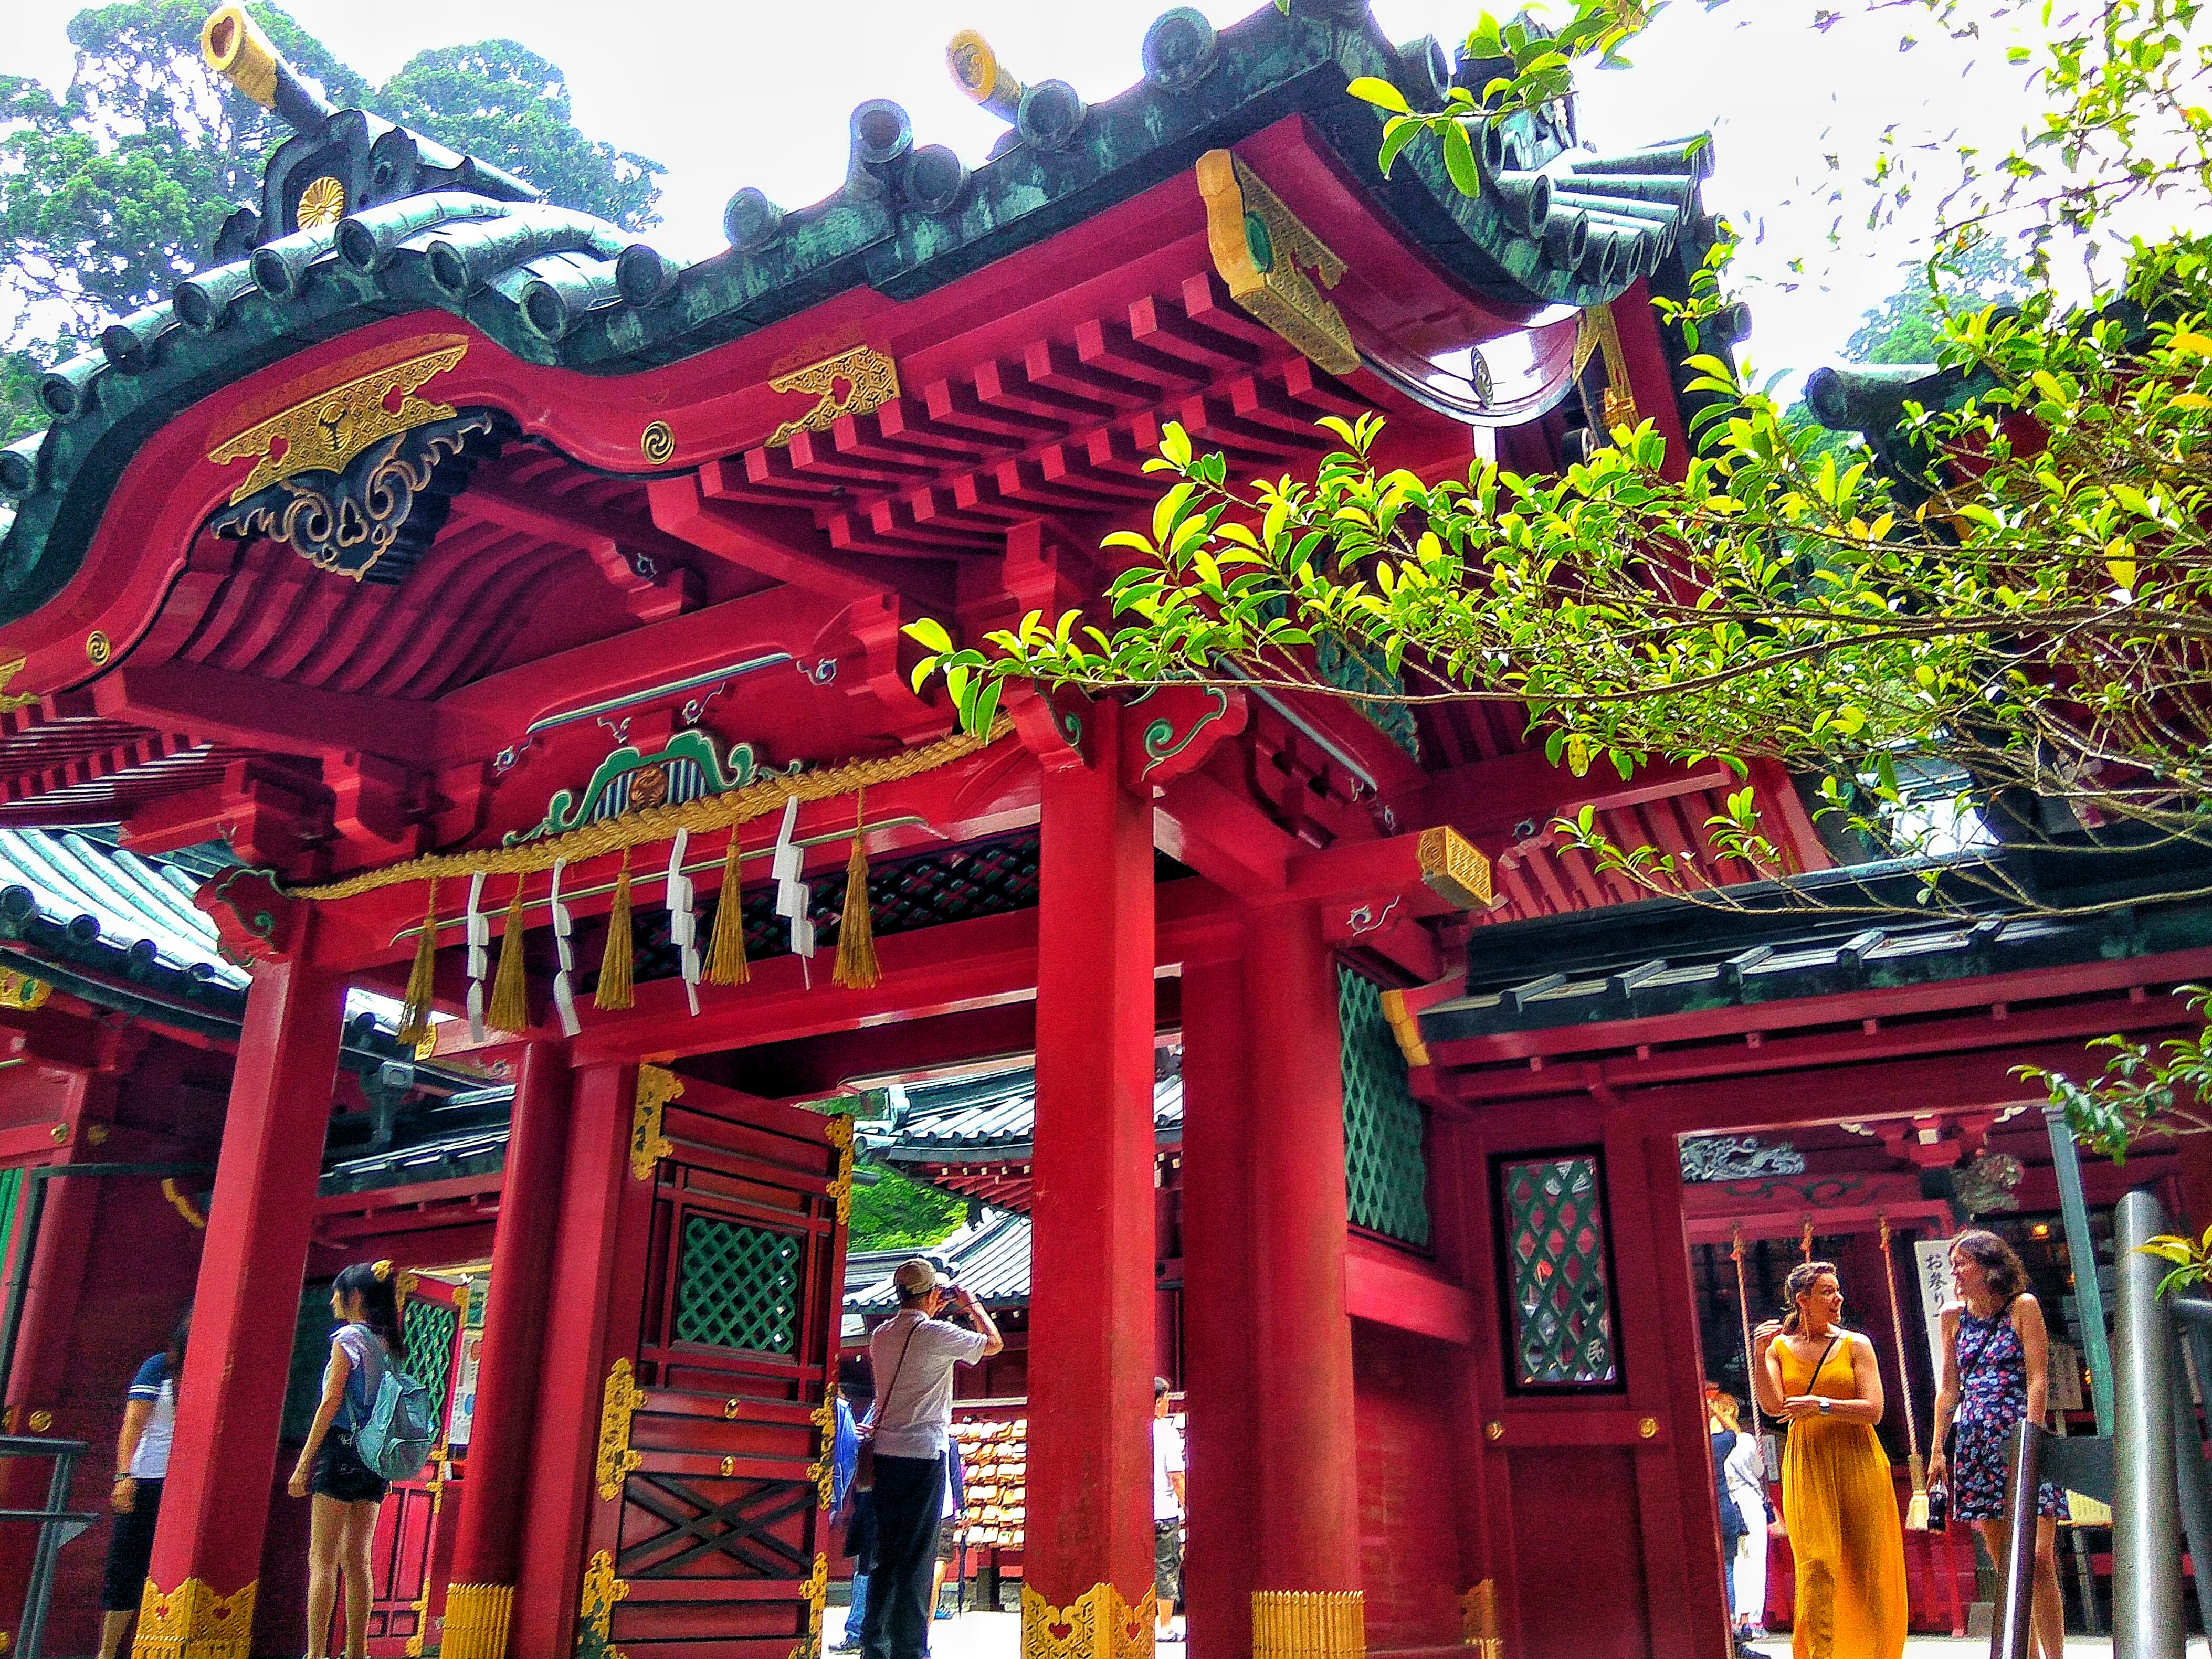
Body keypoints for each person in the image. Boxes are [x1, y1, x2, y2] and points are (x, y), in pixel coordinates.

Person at [1751, 1260, 1906, 1659]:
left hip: (1859, 1456)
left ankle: (1876, 1653)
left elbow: (1874, 1409)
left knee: (1868, 1564)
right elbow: (1771, 1405)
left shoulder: (1856, 1344)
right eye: (1827, 1292)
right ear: (1802, 1300)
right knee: (1816, 1562)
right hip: (1808, 1459)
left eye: (1837, 1290)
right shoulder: (1780, 1349)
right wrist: (1758, 1355)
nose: (1838, 1298)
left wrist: (1821, 1405)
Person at [1928, 1229, 2068, 1659]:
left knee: (2039, 1558)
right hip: (1974, 1439)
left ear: (1990, 1266)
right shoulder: (1953, 1316)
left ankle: (2057, 1655)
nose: (1954, 1272)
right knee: (2006, 1561)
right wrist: (1937, 1448)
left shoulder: (2022, 1307)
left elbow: (2038, 1376)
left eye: (1961, 1264)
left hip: (2020, 1434)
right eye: (1952, 1265)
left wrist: (2032, 1431)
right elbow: (1949, 1388)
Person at [861, 1260, 1002, 1659]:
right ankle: (910, 1647)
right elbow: (993, 1344)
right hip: (924, 1454)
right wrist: (972, 1305)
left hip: (886, 1454)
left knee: (886, 1552)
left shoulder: (881, 1336)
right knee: (919, 1554)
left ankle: (876, 1644)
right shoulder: (936, 1334)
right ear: (933, 1294)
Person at [289, 1260, 405, 1659]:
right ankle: (358, 1651)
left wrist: (304, 1461)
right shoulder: (391, 1344)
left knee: (321, 1557)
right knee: (358, 1558)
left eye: (339, 1292)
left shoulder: (348, 1339)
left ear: (354, 1297)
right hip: (375, 1457)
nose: (334, 1299)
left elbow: (331, 1400)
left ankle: (316, 1653)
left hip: (340, 1449)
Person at [96, 1306, 189, 1659]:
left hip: (186, 1486)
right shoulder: (158, 1367)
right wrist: (124, 1474)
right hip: (147, 1478)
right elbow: (133, 1422)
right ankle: (108, 1652)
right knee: (126, 1567)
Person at [1711, 1392, 1773, 1650]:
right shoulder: (1742, 1440)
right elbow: (1758, 1471)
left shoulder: (1708, 1440)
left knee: (1734, 1563)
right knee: (1755, 1561)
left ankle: (1736, 1617)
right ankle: (1753, 1620)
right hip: (1747, 1500)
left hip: (1726, 1501)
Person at [1152, 1377, 1187, 1643]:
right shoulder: (1168, 1432)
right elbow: (1176, 1475)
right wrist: (1186, 1506)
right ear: (1158, 1403)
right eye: (1165, 1400)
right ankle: (1165, 1626)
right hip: (1164, 1510)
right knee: (1167, 1566)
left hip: (1140, 1512)